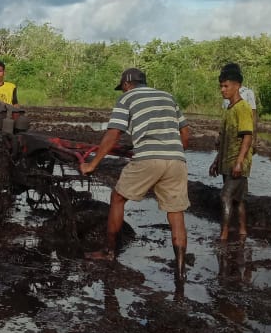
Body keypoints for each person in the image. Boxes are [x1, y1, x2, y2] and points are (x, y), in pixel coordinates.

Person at [79, 68, 191, 277]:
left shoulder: (128, 98)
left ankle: (109, 251)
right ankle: (180, 270)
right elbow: (185, 134)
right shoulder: (168, 97)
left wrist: (92, 164)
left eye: (122, 88)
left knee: (118, 197)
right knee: (176, 214)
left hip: (148, 158)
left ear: (126, 84)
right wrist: (170, 151)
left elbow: (114, 133)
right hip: (176, 160)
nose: (122, 91)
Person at [210, 63, 254, 242]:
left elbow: (247, 137)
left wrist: (239, 161)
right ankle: (242, 231)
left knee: (225, 196)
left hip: (237, 161)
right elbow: (223, 140)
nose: (222, 90)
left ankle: (224, 234)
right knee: (238, 199)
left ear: (237, 86)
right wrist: (216, 161)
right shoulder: (229, 109)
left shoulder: (243, 108)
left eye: (226, 86)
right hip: (227, 161)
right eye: (221, 86)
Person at [220, 62, 257, 136]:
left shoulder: (248, 93)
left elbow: (253, 116)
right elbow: (225, 117)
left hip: (243, 131)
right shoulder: (226, 94)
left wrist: (253, 138)